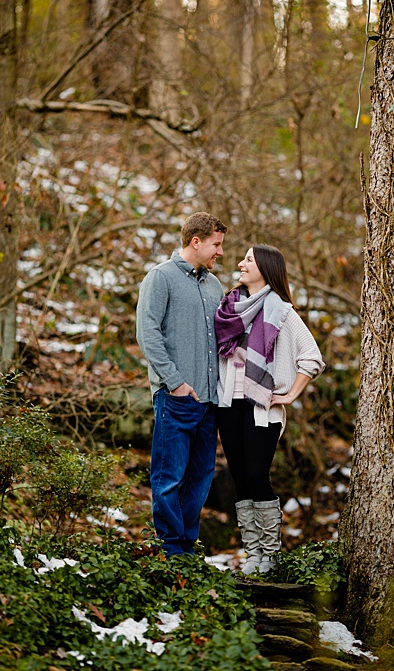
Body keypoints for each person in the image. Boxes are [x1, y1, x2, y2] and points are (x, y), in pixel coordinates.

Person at [213, 244, 325, 574]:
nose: (240, 263)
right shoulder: (229, 308)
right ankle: (253, 554)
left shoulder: (282, 312)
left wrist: (289, 395)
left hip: (263, 408)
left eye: (248, 259)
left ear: (265, 266)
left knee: (256, 476)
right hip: (228, 406)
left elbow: (311, 357)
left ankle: (270, 555)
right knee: (240, 480)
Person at [137, 212, 227, 557]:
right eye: (216, 245)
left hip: (209, 403)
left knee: (201, 478)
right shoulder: (160, 278)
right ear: (196, 242)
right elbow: (147, 334)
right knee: (169, 477)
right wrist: (174, 383)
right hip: (176, 398)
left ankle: (186, 550)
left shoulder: (214, 285)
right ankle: (171, 552)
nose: (220, 252)